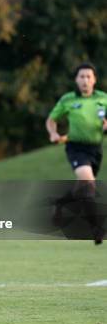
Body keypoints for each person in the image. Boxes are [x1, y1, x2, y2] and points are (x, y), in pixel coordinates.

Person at [46, 62, 106, 244]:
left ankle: (60, 203)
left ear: (94, 80)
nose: (85, 80)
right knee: (88, 184)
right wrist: (53, 133)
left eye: (89, 76)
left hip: (95, 149)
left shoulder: (103, 98)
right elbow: (51, 119)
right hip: (76, 148)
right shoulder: (68, 100)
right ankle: (96, 229)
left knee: (83, 188)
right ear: (76, 80)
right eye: (82, 77)